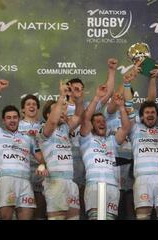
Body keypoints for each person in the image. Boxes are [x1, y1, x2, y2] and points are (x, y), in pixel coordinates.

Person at [0, 79, 47, 220]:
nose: (12, 120)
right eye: (8, 118)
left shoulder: (28, 138)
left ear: (19, 119)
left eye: (15, 117)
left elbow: (40, 157)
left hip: (25, 182)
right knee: (5, 217)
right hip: (6, 179)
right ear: (3, 120)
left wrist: (43, 164)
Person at [67, 58, 117, 218]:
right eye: (75, 89)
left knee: (90, 201)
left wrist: (111, 71)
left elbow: (107, 92)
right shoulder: (58, 107)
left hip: (89, 156)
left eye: (81, 89)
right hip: (68, 158)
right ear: (68, 90)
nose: (78, 92)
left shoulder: (89, 106)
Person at [123, 65, 158, 220]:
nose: (150, 115)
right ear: (141, 116)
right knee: (142, 216)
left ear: (157, 115)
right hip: (142, 179)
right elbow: (128, 106)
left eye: (153, 112)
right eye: (147, 112)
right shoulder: (135, 128)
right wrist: (127, 84)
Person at [80, 85, 131, 220]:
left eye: (103, 121)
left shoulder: (112, 140)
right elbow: (85, 118)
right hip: (94, 185)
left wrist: (121, 107)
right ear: (91, 125)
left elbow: (125, 128)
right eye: (97, 121)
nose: (101, 123)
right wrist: (97, 98)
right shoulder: (86, 139)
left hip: (113, 187)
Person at [36, 81, 83, 220]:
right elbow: (52, 122)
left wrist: (79, 98)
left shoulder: (65, 129)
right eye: (58, 109)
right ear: (48, 114)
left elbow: (79, 116)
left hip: (70, 182)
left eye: (64, 109)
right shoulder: (44, 130)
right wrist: (62, 96)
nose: (63, 111)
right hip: (55, 183)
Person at [19, 94, 46, 219]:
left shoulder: (45, 126)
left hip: (40, 169)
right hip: (22, 170)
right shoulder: (16, 125)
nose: (31, 106)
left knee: (40, 206)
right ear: (23, 109)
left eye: (34, 104)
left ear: (38, 109)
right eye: (28, 104)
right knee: (23, 207)